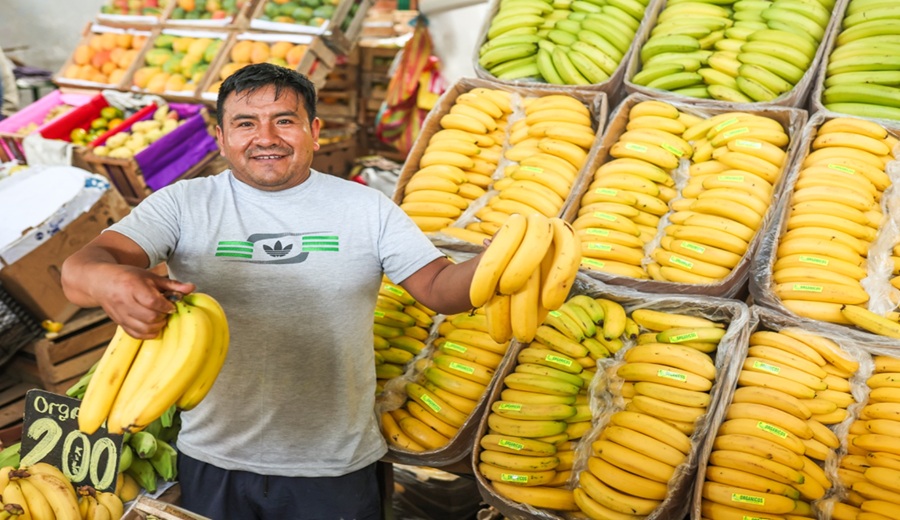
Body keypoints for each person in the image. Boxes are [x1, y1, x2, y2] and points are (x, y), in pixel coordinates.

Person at [61, 63, 483, 519]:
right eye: (245, 123)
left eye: (284, 120)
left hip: (335, 465)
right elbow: (78, 271)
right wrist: (113, 280)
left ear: (314, 131)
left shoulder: (366, 208)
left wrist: (502, 260)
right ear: (220, 137)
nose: (266, 137)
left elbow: (442, 290)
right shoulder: (183, 204)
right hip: (212, 457)